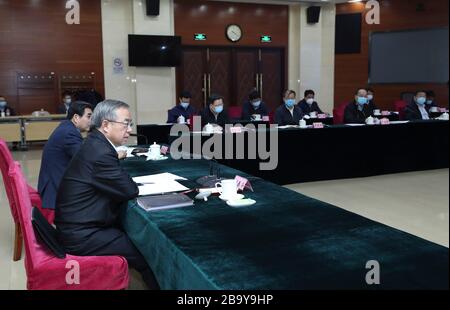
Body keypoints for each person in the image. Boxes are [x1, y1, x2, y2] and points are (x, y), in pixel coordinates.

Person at [55, 100, 159, 289]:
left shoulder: (96, 143)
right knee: (147, 253)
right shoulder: (100, 152)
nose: (129, 129)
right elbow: (129, 189)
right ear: (105, 125)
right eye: (126, 123)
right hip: (82, 235)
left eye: (130, 124)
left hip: (78, 224)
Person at [38, 101, 93, 214]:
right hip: (55, 190)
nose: (91, 121)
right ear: (76, 117)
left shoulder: (67, 127)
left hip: (54, 181)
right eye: (88, 116)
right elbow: (87, 158)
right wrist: (115, 154)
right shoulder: (69, 133)